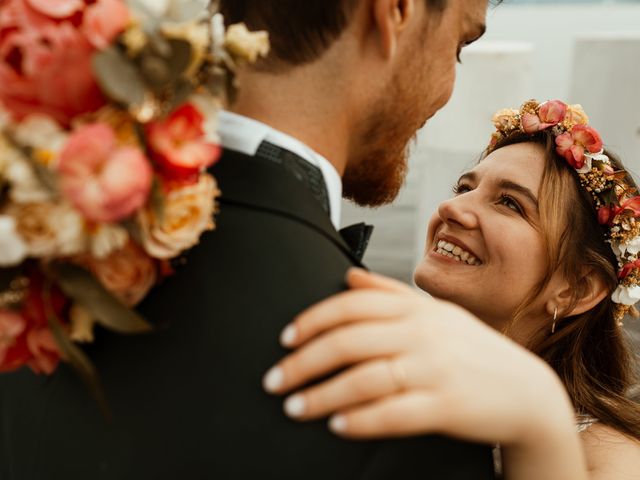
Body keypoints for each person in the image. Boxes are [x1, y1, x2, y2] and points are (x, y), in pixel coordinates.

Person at [0, 1, 497, 479]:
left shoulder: (32, 238)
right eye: (458, 44)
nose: (447, 85)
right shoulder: (410, 401)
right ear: (397, 10)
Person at [264, 100, 640, 479]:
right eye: (463, 188)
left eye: (510, 203)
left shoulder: (613, 462)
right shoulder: (377, 376)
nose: (451, 208)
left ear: (577, 289)